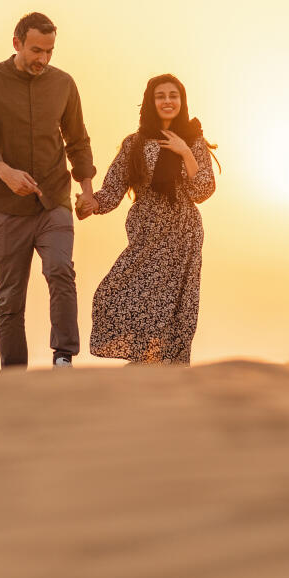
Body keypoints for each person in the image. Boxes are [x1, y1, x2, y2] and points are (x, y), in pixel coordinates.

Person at [0, 12, 97, 370]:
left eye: (49, 51)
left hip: (53, 200)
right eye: (36, 50)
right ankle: (14, 376)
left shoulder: (64, 84)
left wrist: (86, 190)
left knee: (60, 270)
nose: (43, 59)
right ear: (17, 43)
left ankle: (63, 357)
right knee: (10, 299)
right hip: (7, 207)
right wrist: (4, 172)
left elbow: (77, 139)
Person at [83, 74, 216, 365]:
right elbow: (113, 189)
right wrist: (90, 203)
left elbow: (203, 190)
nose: (168, 101)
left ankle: (160, 367)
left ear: (181, 101)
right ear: (150, 102)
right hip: (146, 234)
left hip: (183, 234)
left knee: (173, 304)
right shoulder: (135, 144)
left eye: (173, 95)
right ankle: (146, 360)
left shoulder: (194, 142)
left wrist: (184, 151)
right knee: (114, 293)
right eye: (161, 96)